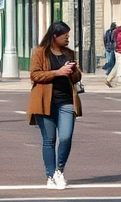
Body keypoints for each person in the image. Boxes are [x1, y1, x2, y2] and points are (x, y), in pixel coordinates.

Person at [25, 21, 82, 190]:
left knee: (65, 137)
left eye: (68, 36)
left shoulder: (69, 53)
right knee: (49, 140)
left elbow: (77, 78)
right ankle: (50, 176)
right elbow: (35, 75)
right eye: (65, 36)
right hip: (45, 102)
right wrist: (58, 72)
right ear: (55, 36)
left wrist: (74, 71)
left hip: (66, 101)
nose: (68, 39)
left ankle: (59, 170)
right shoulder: (39, 52)